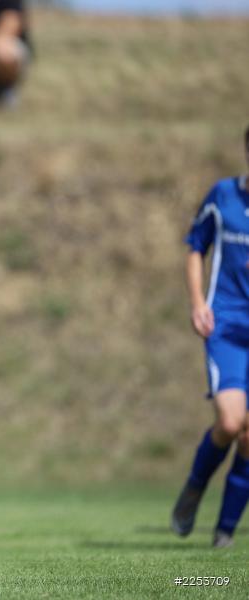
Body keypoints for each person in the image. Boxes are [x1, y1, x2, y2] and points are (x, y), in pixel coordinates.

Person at [171, 125, 249, 549]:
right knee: (231, 422)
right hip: (228, 326)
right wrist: (198, 302)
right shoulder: (224, 196)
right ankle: (196, 485)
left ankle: (225, 531)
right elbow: (195, 247)